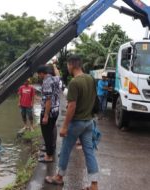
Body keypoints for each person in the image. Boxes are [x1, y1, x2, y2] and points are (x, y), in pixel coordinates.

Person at [45, 55, 99, 190]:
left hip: (77, 123)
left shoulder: (75, 82)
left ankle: (58, 177)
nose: (67, 68)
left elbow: (71, 106)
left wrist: (64, 126)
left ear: (72, 65)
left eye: (68, 65)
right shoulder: (90, 79)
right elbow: (94, 99)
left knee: (65, 150)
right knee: (89, 152)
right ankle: (94, 184)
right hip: (88, 122)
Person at [37, 63, 60, 163]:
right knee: (50, 133)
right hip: (55, 111)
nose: (38, 76)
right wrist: (54, 66)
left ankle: (49, 156)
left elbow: (48, 100)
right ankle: (49, 152)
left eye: (38, 74)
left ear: (42, 73)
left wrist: (45, 116)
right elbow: (58, 74)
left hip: (49, 112)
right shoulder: (55, 79)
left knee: (46, 134)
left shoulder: (46, 82)